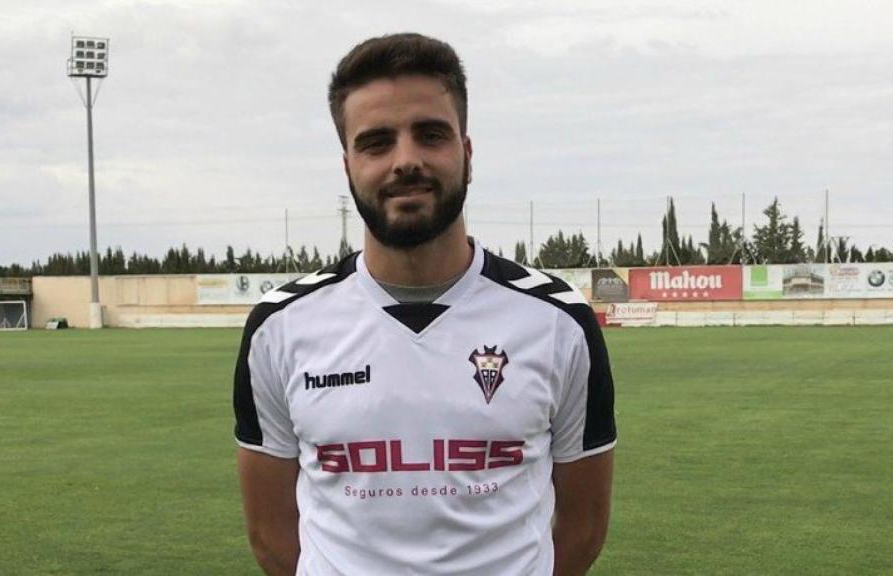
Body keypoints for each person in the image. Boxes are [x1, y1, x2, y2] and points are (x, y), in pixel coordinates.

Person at [234, 32, 616, 576]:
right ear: (347, 166)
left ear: (466, 152)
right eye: (377, 142)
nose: (405, 160)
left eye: (430, 135)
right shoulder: (280, 326)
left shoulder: (558, 321)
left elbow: (583, 529)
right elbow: (271, 535)